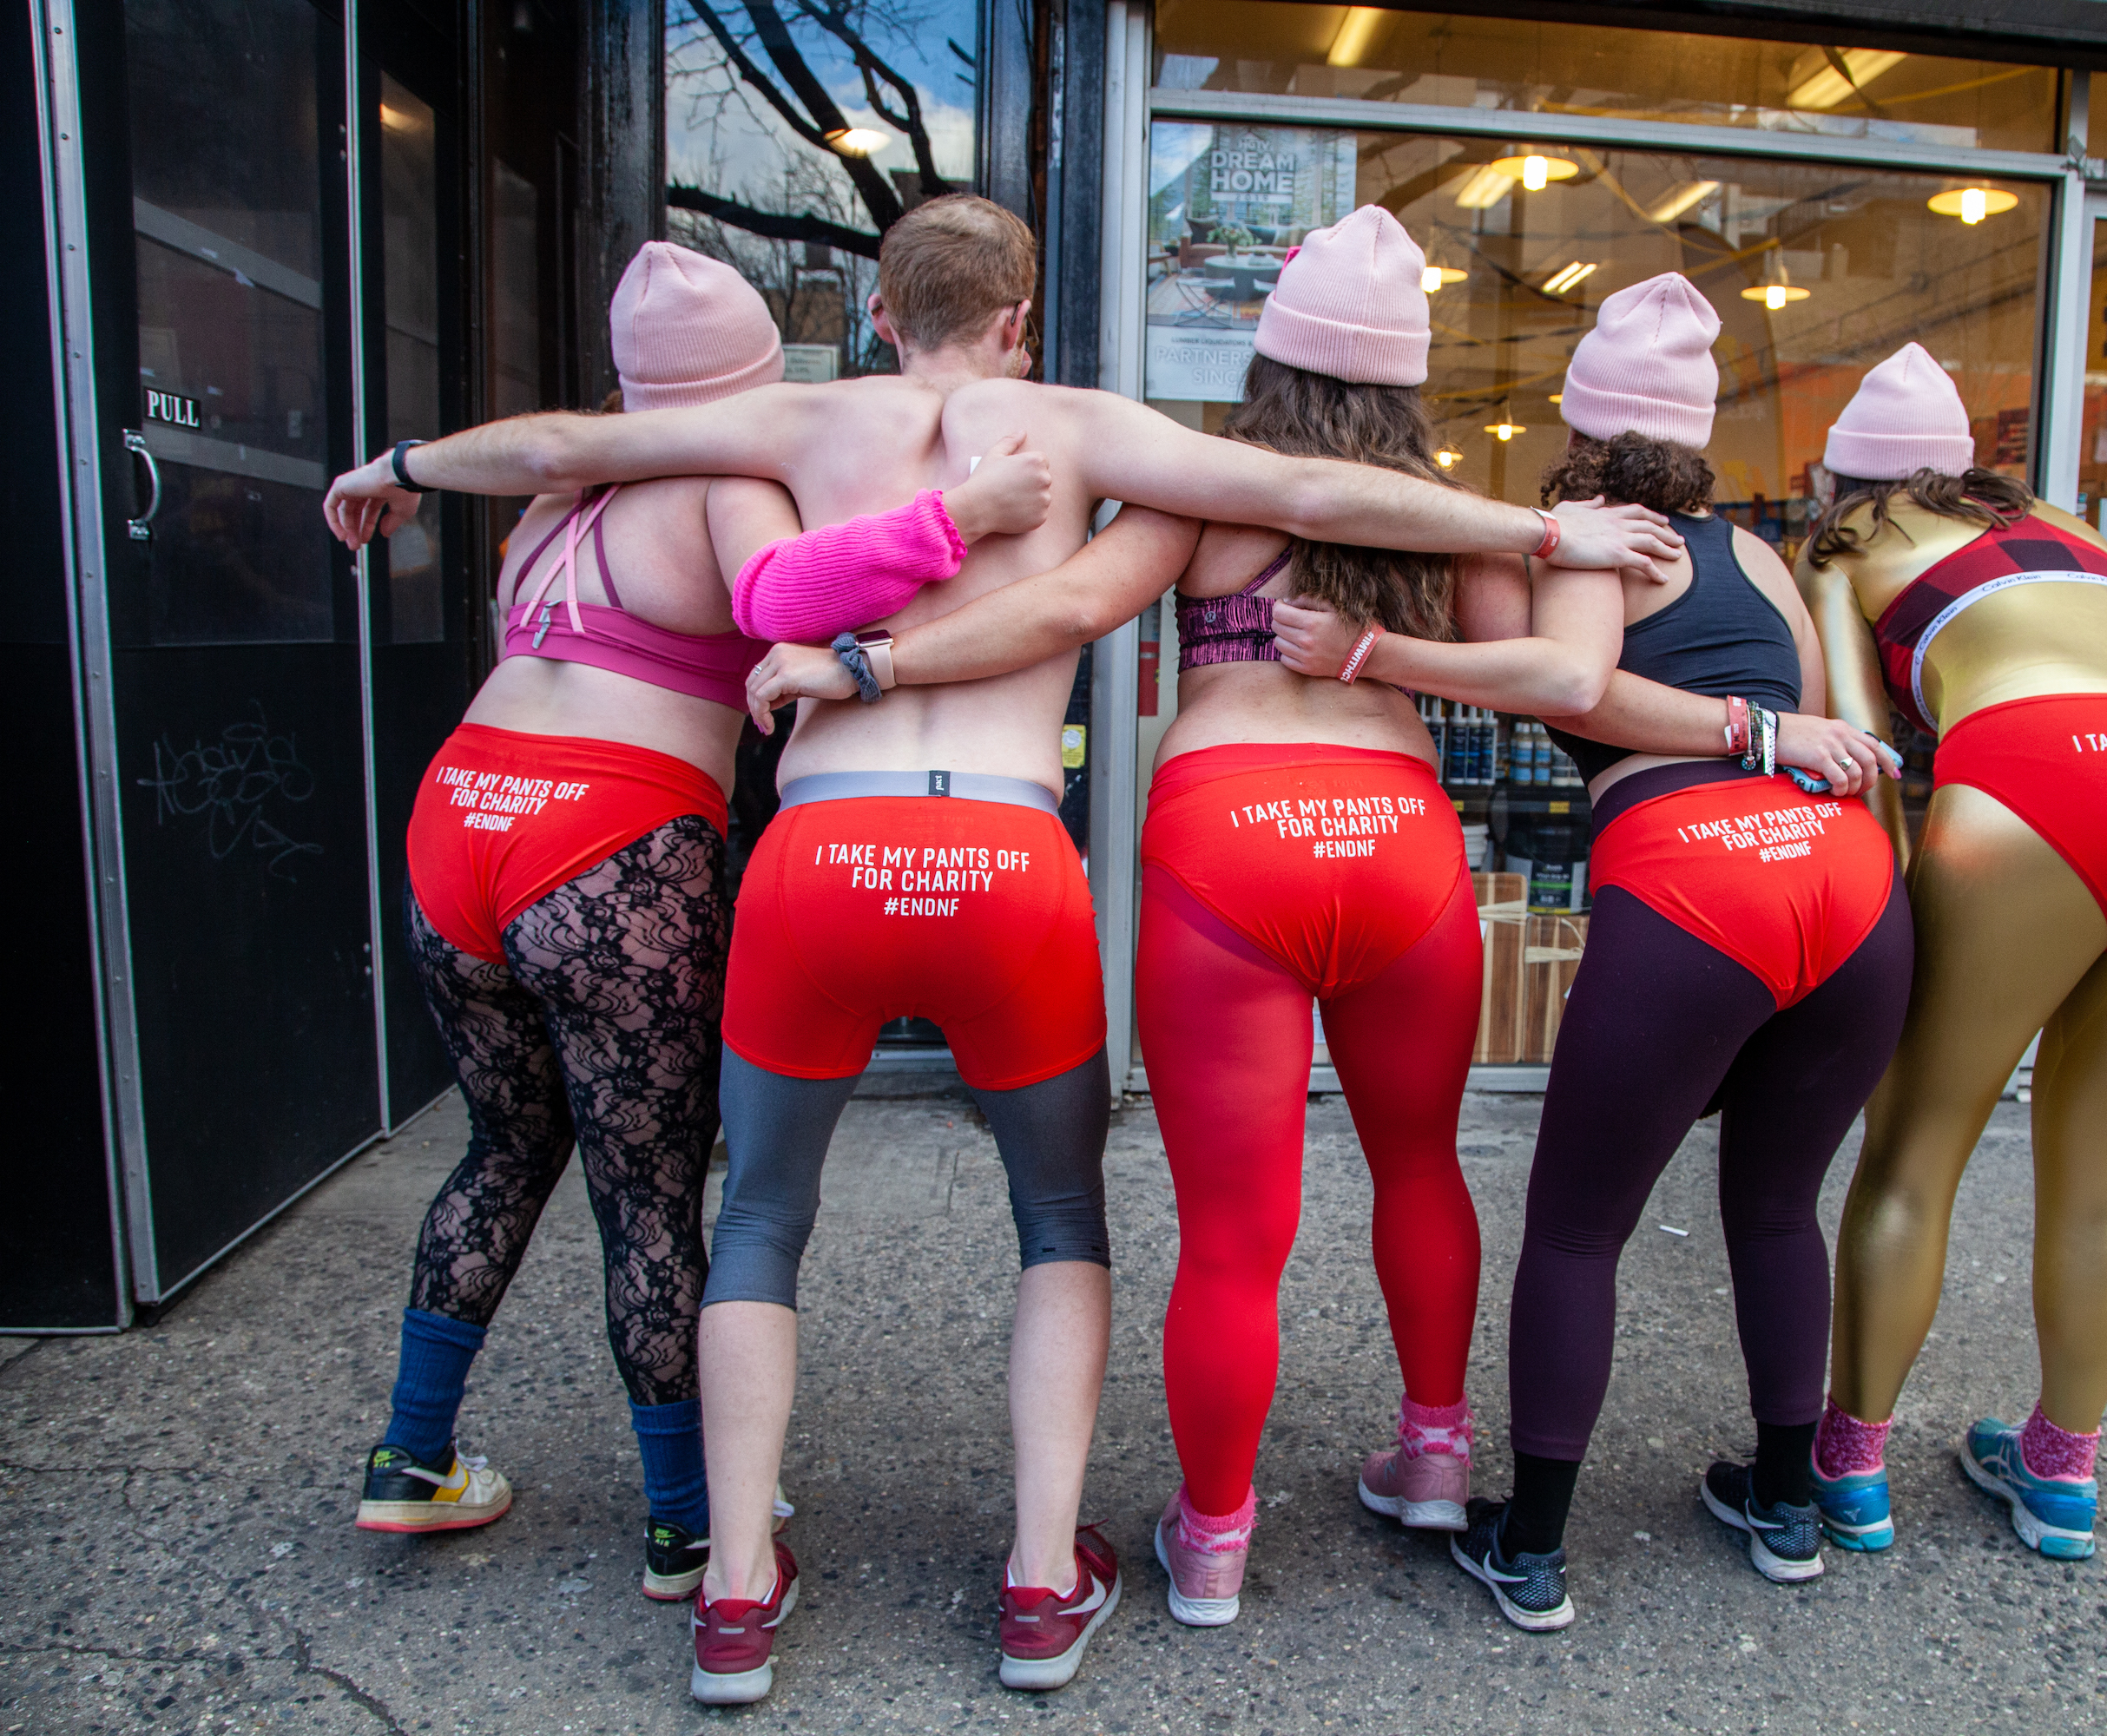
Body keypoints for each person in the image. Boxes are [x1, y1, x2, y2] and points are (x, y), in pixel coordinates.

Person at [321, 195, 1681, 1703]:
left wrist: (398, 467)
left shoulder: (788, 419)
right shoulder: (1086, 424)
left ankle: (734, 1599)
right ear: (1022, 317)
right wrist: (1540, 527)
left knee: (761, 1216)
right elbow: (1313, 491)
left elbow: (564, 451)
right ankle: (1045, 1582)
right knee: (1060, 1218)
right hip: (1019, 861)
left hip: (818, 853)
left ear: (882, 313)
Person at [742, 205, 1625, 1629]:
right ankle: (1439, 1460)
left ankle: (1213, 1544)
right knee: (1420, 1165)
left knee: (1231, 1232)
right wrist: (1403, 649)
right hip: (1397, 840)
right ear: (1408, 376)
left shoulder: (1205, 489)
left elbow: (1067, 609)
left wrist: (872, 664)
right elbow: (1547, 674)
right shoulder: (1445, 508)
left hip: (1228, 840)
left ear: (1268, 362)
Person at [352, 243, 1035, 1599]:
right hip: (609, 839)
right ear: (750, 381)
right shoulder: (727, 480)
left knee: (505, 1148)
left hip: (459, 821)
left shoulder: (553, 490)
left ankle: (411, 1460)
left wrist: (401, 463)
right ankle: (685, 1524)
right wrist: (958, 519)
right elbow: (794, 598)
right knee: (654, 1195)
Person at [1277, 274, 1913, 1628]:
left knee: (1576, 1229)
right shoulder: (1753, 556)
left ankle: (1537, 1546)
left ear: (1575, 420)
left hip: (1698, 883)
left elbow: (1568, 688)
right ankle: (1788, 1506)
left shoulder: (1576, 539)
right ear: (1700, 434)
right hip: (1846, 884)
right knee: (1776, 1205)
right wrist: (1757, 734)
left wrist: (1371, 648)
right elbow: (1798, 708)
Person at [1797, 344, 2107, 1562]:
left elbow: (1865, 746)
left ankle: (1851, 1467)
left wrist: (1892, 911)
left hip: (2038, 772)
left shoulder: (1843, 543)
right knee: (2100, 1158)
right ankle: (2061, 1472)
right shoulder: (2062, 523)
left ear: (1836, 482)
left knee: (1916, 1144)